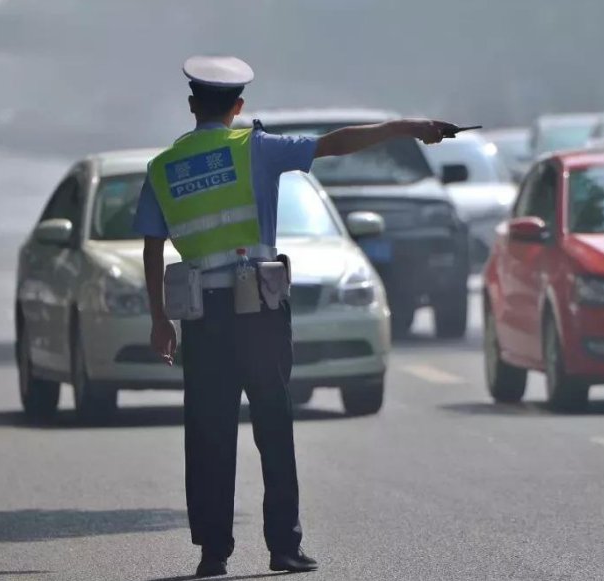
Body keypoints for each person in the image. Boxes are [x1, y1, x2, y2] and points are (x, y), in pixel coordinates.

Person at [133, 55, 455, 578]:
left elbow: (152, 248)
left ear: (193, 106)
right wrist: (407, 128)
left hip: (203, 321)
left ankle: (213, 554)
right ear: (238, 107)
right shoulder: (255, 148)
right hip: (259, 313)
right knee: (274, 429)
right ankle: (284, 547)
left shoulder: (163, 167)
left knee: (208, 434)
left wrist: (158, 320)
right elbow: (335, 142)